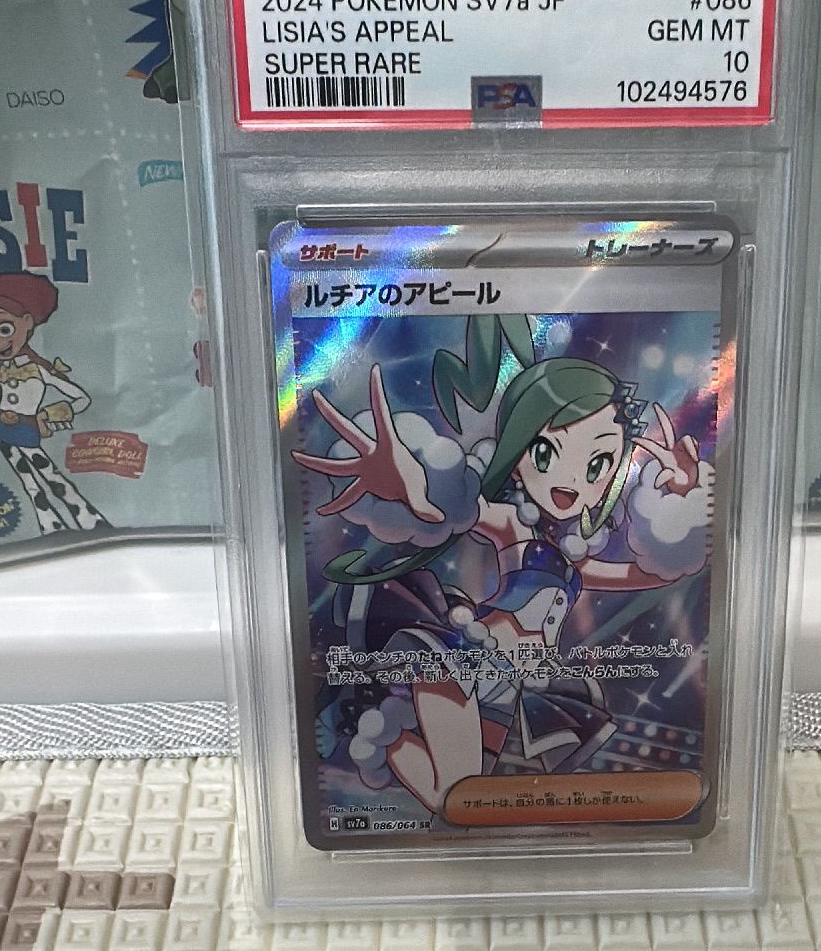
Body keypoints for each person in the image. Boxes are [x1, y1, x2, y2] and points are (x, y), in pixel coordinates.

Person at [294, 316, 711, 815]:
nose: (571, 480)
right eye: (546, 452)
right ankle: (375, 720)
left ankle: (383, 729)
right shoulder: (515, 524)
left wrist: (683, 502)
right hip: (467, 655)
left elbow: (655, 572)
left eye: (598, 465)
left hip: (518, 683)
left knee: (462, 799)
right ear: (517, 451)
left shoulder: (575, 560)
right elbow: (457, 510)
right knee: (459, 792)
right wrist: (415, 487)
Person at [0, 269, 110, 534]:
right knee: (27, 480)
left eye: (4, 328)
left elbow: (82, 397)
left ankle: (89, 519)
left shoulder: (39, 371)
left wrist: (50, 414)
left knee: (49, 473)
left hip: (27, 428)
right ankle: (50, 524)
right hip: (1, 429)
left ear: (27, 322)